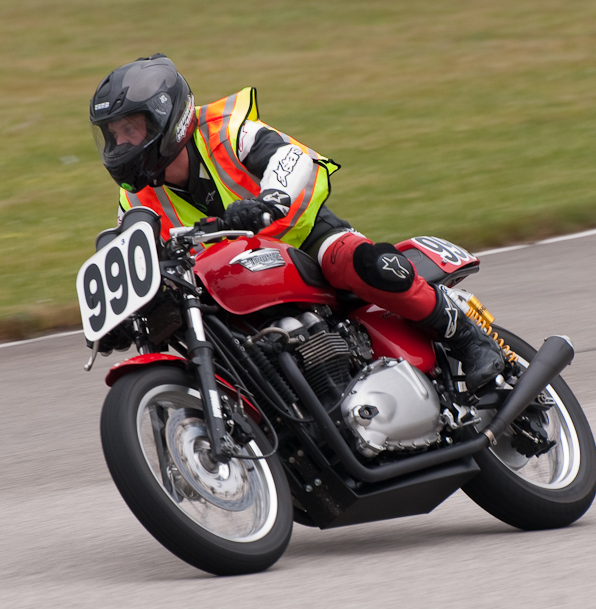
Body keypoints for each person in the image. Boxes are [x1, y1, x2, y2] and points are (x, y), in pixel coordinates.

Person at [89, 54, 503, 389]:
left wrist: (270, 199)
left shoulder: (225, 131)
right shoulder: (136, 198)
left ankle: (467, 336)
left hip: (304, 240)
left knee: (361, 263)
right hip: (234, 276)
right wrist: (120, 317)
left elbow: (291, 157)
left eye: (131, 129)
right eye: (113, 133)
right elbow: (135, 253)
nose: (120, 143)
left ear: (166, 120)